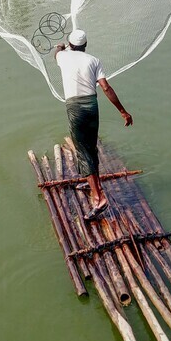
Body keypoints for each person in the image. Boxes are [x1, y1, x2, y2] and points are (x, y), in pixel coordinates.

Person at [54, 29, 133, 220]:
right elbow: (105, 87)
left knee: (83, 151)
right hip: (92, 106)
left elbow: (56, 51)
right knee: (90, 147)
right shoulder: (94, 60)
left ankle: (99, 199)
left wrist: (61, 45)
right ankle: (92, 183)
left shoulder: (63, 57)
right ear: (86, 45)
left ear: (71, 45)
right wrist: (123, 111)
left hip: (76, 108)